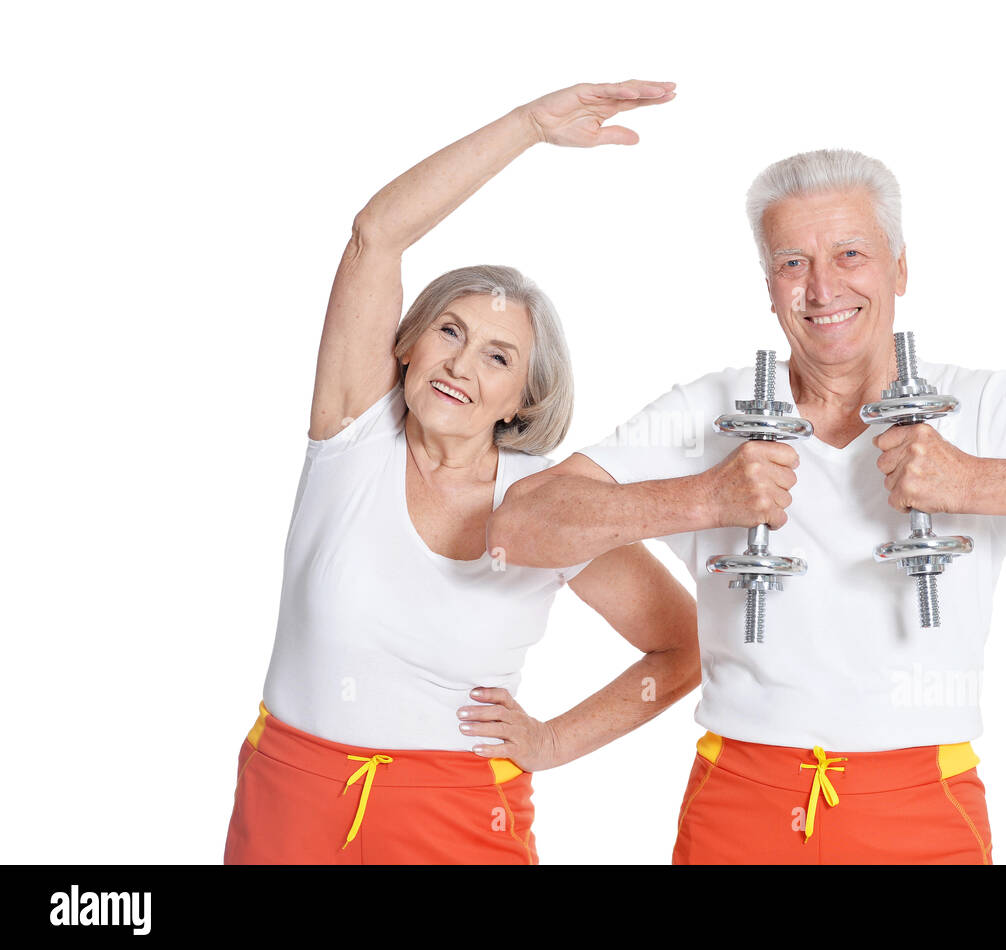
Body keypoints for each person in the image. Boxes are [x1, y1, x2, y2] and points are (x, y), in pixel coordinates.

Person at [487, 147, 1006, 864]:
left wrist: (971, 482)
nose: (822, 288)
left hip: (922, 807)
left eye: (850, 254)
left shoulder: (985, 406)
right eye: (793, 263)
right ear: (768, 286)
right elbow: (522, 523)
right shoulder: (709, 409)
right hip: (740, 805)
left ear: (900, 267)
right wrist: (705, 495)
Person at [224, 79, 699, 865]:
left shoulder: (548, 503)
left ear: (523, 396)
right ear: (407, 344)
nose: (459, 365)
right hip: (292, 797)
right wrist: (527, 127)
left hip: (459, 813)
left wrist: (551, 741)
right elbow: (377, 233)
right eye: (449, 329)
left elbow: (682, 647)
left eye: (498, 355)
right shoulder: (352, 432)